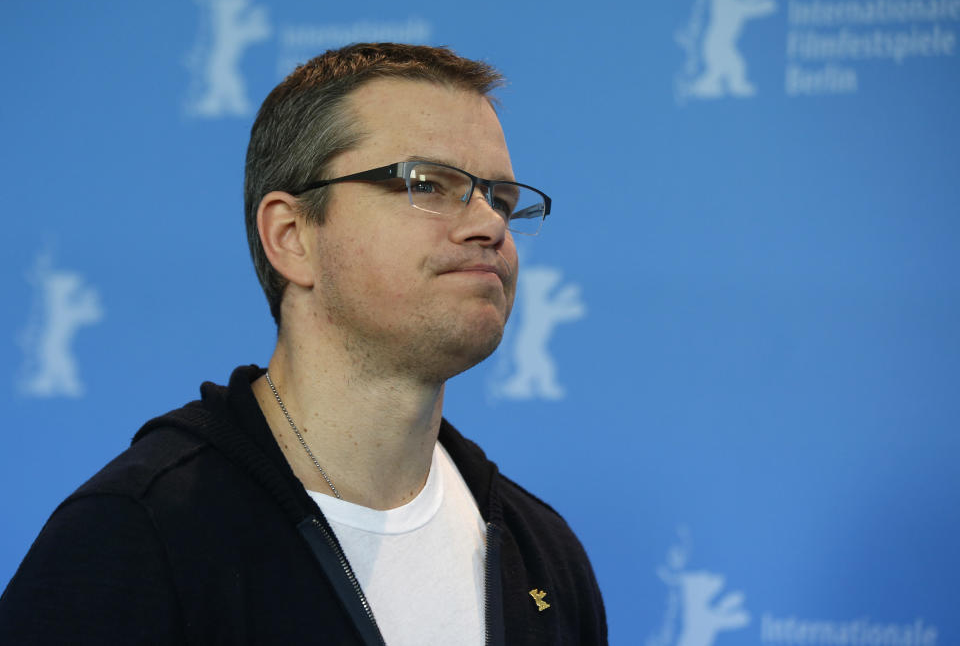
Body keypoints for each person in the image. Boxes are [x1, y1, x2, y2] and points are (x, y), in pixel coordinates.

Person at [0, 43, 606, 645]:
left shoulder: (541, 552)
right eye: (428, 183)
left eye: (499, 197)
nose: (491, 225)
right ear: (291, 236)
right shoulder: (136, 533)